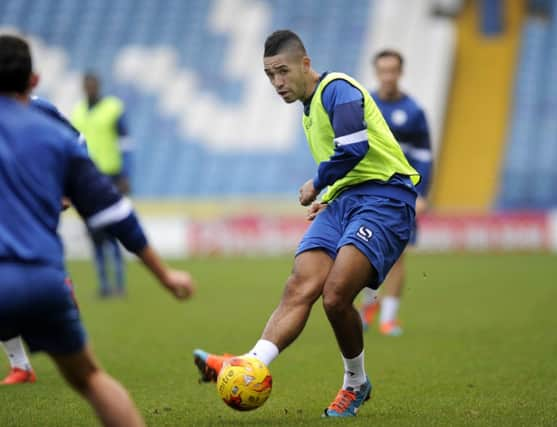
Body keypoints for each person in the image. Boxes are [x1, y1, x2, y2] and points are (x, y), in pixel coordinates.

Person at [193, 30, 419, 418]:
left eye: (283, 71)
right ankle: (250, 362)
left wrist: (317, 183)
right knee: (300, 283)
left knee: (335, 295)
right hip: (344, 203)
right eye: (269, 75)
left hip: (385, 200)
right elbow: (351, 168)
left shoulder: (338, 89)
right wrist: (329, 197)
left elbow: (355, 149)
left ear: (305, 64)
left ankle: (355, 382)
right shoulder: (309, 110)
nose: (277, 82)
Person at [0, 34, 195, 426]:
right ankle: (23, 362)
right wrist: (165, 275)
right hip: (41, 278)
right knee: (90, 378)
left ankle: (22, 361)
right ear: (34, 80)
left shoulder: (59, 122)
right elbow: (118, 215)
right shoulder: (52, 134)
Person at [1, 96, 85, 385]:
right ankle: (21, 366)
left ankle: (57, 284)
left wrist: (67, 187)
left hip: (30, 201)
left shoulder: (37, 106)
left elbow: (78, 139)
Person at [359, 49, 433, 336]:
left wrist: (422, 193)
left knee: (399, 255)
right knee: (365, 253)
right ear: (376, 73)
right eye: (383, 71)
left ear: (400, 73)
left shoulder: (413, 111)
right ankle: (369, 305)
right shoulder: (365, 106)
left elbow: (425, 154)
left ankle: (389, 318)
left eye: (393, 70)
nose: (388, 76)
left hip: (403, 192)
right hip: (371, 192)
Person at [71, 73, 132, 297]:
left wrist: (125, 174)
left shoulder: (112, 108)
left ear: (98, 86)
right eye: (86, 85)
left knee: (113, 231)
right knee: (95, 234)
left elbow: (125, 142)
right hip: (86, 178)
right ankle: (105, 285)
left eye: (93, 84)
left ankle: (119, 284)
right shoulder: (77, 112)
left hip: (111, 176)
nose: (89, 88)